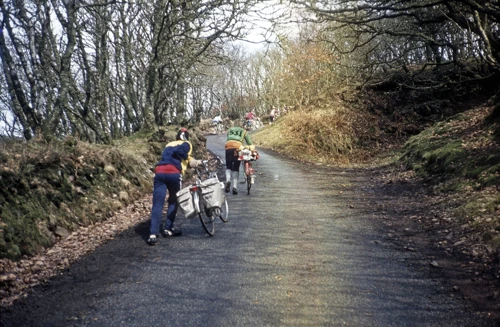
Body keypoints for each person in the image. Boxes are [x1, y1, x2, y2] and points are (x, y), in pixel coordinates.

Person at [147, 128, 202, 245]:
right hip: (173, 173)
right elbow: (179, 152)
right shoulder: (187, 144)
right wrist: (187, 157)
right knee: (173, 200)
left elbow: (168, 155)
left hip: (160, 171)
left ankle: (152, 234)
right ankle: (168, 228)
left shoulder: (168, 144)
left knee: (158, 203)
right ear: (186, 137)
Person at [224, 123, 254, 195]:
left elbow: (228, 138)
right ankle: (235, 187)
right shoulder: (244, 131)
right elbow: (250, 143)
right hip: (237, 148)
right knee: (236, 167)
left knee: (228, 166)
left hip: (228, 147)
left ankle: (228, 181)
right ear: (242, 126)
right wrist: (250, 148)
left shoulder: (229, 130)